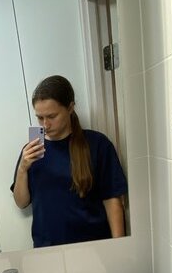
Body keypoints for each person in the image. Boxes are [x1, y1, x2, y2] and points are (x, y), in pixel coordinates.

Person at [11, 75, 128, 248]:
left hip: (94, 246)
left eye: (51, 116)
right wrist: (22, 169)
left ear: (70, 108)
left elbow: (112, 200)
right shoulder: (31, 151)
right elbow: (21, 202)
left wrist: (120, 247)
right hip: (47, 249)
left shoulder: (97, 144)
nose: (45, 125)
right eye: (40, 118)